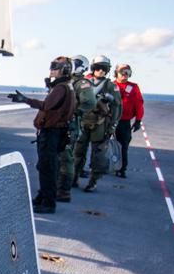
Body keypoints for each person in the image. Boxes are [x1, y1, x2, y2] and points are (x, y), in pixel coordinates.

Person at [10, 57, 76, 214]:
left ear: (65, 70)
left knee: (47, 167)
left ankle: (48, 203)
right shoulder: (67, 86)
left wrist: (25, 100)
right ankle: (42, 197)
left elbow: (47, 105)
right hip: (58, 132)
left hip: (52, 132)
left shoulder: (61, 88)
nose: (51, 70)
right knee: (47, 166)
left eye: (55, 67)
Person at [73, 54, 122, 192]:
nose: (101, 71)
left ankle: (93, 181)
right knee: (77, 152)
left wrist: (112, 125)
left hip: (100, 123)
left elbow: (117, 106)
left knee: (98, 154)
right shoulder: (84, 83)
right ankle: (74, 177)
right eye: (99, 68)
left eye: (104, 69)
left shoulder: (111, 86)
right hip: (82, 121)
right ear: (93, 68)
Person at [56, 55, 96, 202]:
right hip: (60, 124)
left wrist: (74, 112)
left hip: (70, 125)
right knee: (58, 158)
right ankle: (57, 187)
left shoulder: (82, 83)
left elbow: (90, 102)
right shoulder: (67, 81)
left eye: (76, 63)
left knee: (66, 159)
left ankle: (64, 191)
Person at [113, 63, 144, 178]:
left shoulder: (133, 87)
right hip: (109, 121)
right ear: (116, 73)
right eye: (123, 72)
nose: (125, 75)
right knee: (104, 144)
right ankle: (103, 166)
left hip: (124, 122)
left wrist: (138, 120)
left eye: (128, 73)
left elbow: (139, 104)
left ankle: (122, 168)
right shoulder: (110, 85)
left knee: (123, 146)